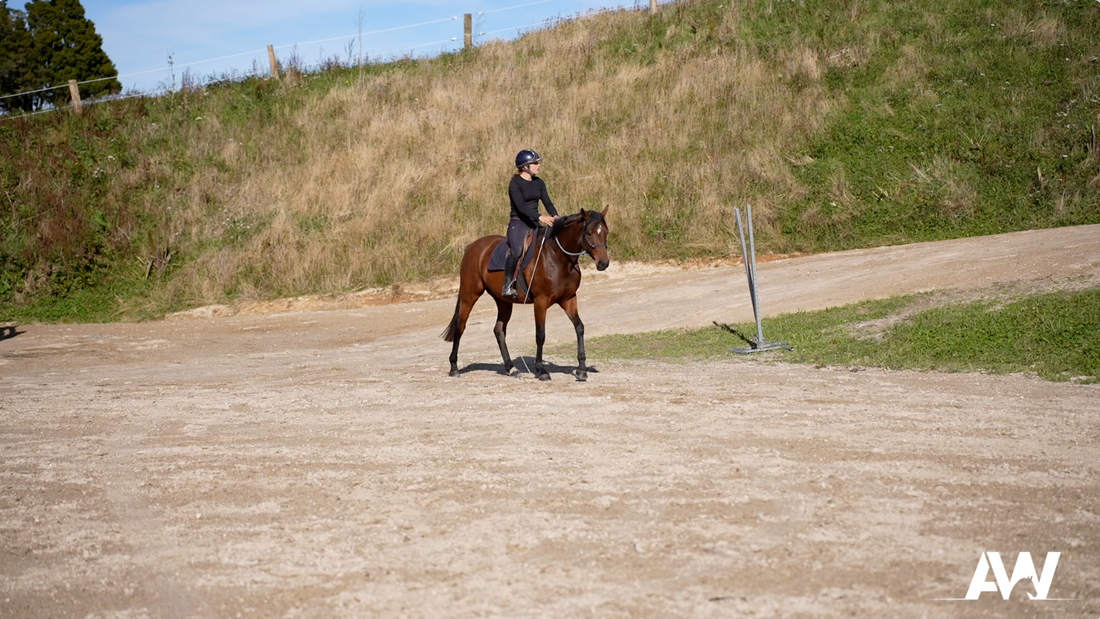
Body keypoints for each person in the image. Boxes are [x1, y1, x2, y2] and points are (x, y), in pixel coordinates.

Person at [502, 149, 558, 298]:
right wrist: (541, 217)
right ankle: (508, 284)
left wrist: (555, 215)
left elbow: (548, 202)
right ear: (525, 166)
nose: (538, 165)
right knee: (518, 249)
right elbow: (521, 207)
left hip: (535, 223)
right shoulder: (515, 183)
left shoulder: (539, 183)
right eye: (535, 163)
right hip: (519, 223)